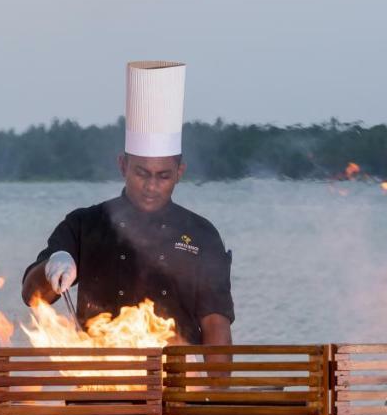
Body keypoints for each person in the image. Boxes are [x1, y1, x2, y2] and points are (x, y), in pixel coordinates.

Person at [21, 61, 234, 345]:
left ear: (179, 173)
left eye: (163, 176)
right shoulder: (85, 224)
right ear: (123, 165)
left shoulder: (201, 234)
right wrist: (52, 267)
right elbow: (30, 295)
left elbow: (216, 324)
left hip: (178, 378)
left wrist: (216, 385)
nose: (151, 186)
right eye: (141, 173)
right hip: (99, 377)